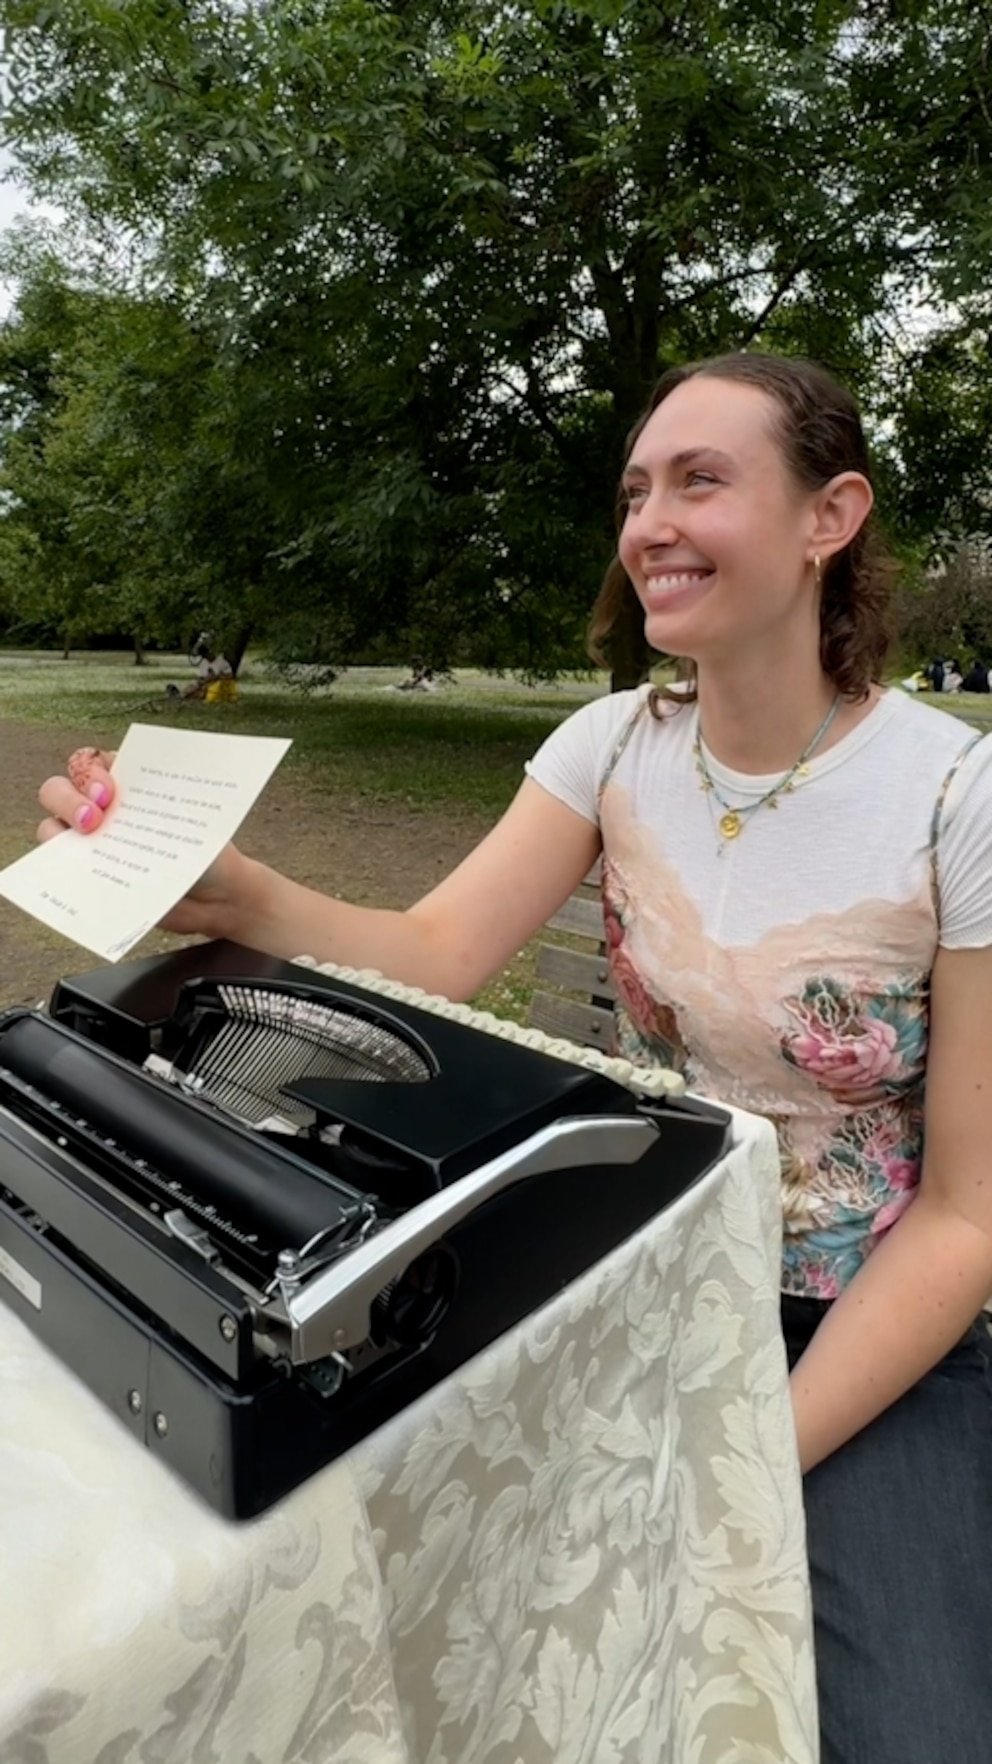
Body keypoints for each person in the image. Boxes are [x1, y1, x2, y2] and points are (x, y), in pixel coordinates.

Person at [38, 353, 992, 1764]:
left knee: (906, 1728)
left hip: (864, 1323)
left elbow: (971, 1216)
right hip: (627, 1267)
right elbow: (428, 951)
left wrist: (749, 1459)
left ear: (827, 516)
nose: (650, 522)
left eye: (701, 480)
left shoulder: (955, 798)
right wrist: (236, 892)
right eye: (636, 490)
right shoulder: (613, 745)